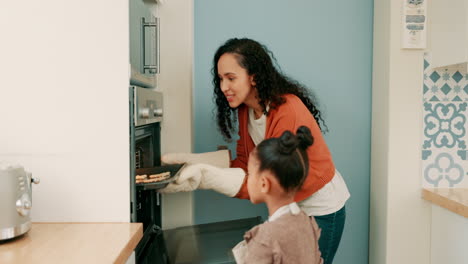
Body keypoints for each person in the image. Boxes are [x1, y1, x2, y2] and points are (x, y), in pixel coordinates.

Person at [161, 38, 350, 264]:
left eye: (231, 78)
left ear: (254, 76)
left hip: (320, 208)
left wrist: (205, 177)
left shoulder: (286, 109)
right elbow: (244, 163)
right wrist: (191, 162)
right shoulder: (246, 111)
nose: (223, 87)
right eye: (220, 79)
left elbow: (271, 182)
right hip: (291, 210)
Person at [231, 126, 323, 264]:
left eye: (249, 174)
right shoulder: (306, 222)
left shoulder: (265, 238)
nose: (247, 179)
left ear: (264, 184)